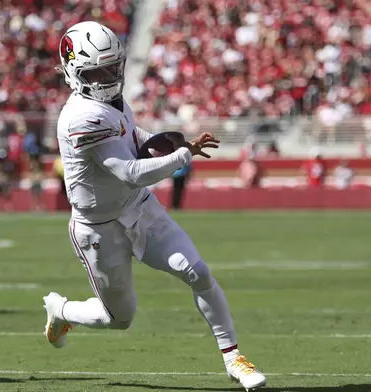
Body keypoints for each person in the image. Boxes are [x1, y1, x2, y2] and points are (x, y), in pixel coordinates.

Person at [43, 21, 266, 391]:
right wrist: (180, 156)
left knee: (198, 272)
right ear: (74, 72)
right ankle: (62, 310)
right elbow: (130, 171)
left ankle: (234, 359)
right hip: (99, 228)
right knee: (120, 318)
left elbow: (134, 136)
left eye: (113, 67)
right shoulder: (81, 117)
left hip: (140, 208)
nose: (109, 76)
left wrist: (179, 145)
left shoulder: (111, 102)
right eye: (98, 71)